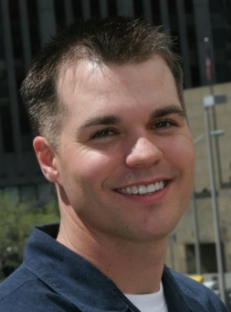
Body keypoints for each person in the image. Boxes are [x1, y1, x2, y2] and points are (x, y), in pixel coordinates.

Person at [0, 16, 228, 312]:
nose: (145, 153)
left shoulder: (205, 305)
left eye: (163, 123)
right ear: (49, 159)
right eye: (104, 133)